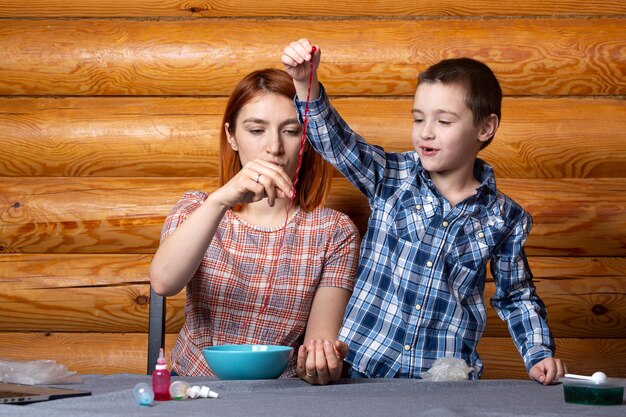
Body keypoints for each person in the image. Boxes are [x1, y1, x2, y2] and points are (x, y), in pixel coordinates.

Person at [281, 39, 567, 384]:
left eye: (444, 121)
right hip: (361, 368)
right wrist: (304, 83)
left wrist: (539, 354)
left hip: (442, 379)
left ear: (485, 128)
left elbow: (516, 295)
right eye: (418, 119)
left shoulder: (505, 217)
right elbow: (336, 142)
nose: (425, 132)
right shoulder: (391, 177)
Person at [149, 68, 360, 385]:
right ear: (232, 136)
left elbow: (316, 347)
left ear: (307, 142)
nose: (274, 147)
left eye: (291, 131)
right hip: (192, 385)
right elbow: (164, 283)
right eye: (256, 130)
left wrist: (319, 364)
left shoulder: (333, 232)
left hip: (281, 390)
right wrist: (220, 201)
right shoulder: (197, 208)